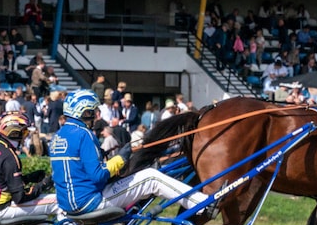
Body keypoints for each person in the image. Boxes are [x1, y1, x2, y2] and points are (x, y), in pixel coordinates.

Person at [49, 89, 209, 216]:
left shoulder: (59, 135)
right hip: (90, 202)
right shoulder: (84, 134)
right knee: (152, 177)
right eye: (93, 111)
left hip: (68, 204)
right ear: (84, 112)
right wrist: (120, 158)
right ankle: (202, 203)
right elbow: (98, 175)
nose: (96, 116)